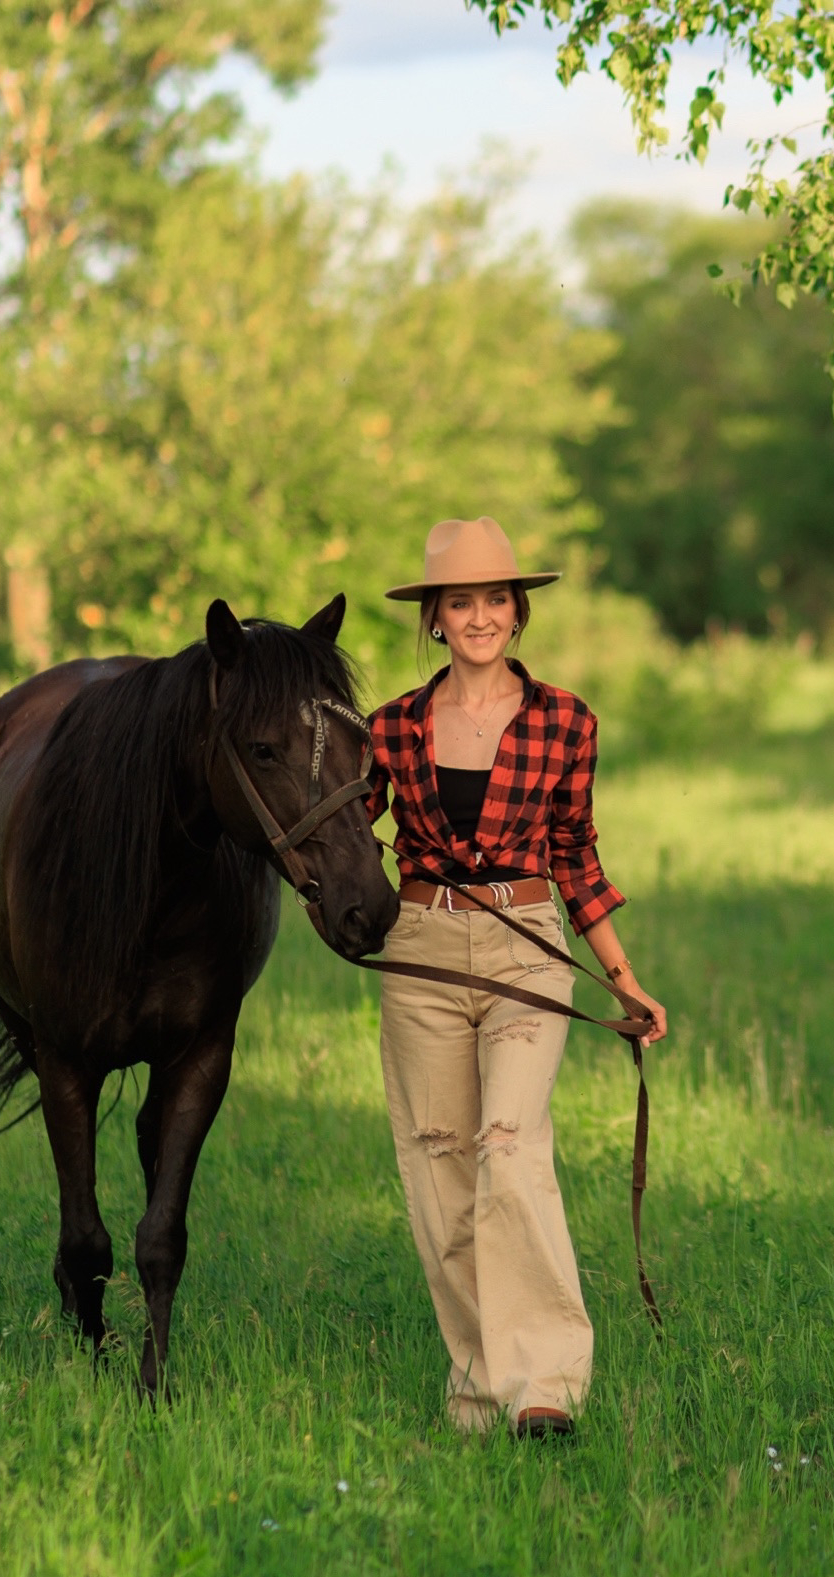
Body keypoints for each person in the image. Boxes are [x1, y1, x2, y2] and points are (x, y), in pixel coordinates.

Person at [365, 516, 669, 1441]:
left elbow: (575, 854)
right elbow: (336, 835)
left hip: (526, 943)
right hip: (420, 947)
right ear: (436, 619)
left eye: (496, 598)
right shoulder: (390, 728)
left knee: (508, 1145)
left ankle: (543, 1384)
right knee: (438, 1162)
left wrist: (621, 975)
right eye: (461, 602)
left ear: (518, 611)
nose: (481, 616)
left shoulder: (565, 721)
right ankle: (476, 1387)